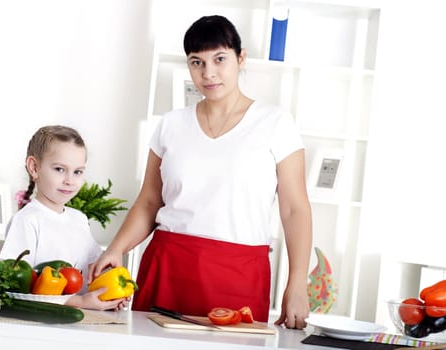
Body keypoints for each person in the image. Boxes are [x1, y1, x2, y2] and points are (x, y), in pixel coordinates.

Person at [88, 15, 312, 327]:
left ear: (240, 58)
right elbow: (150, 201)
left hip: (239, 274)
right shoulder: (171, 124)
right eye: (197, 62)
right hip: (168, 266)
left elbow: (294, 209)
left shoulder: (276, 124)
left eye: (219, 59)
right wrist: (116, 248)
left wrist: (297, 283)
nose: (208, 73)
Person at [0, 125, 128, 311]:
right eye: (60, 169)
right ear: (34, 168)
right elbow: (19, 289)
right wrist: (81, 302)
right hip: (43, 322)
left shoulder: (79, 219)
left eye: (78, 172)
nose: (70, 180)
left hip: (82, 320)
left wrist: (113, 291)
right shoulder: (27, 220)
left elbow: (95, 267)